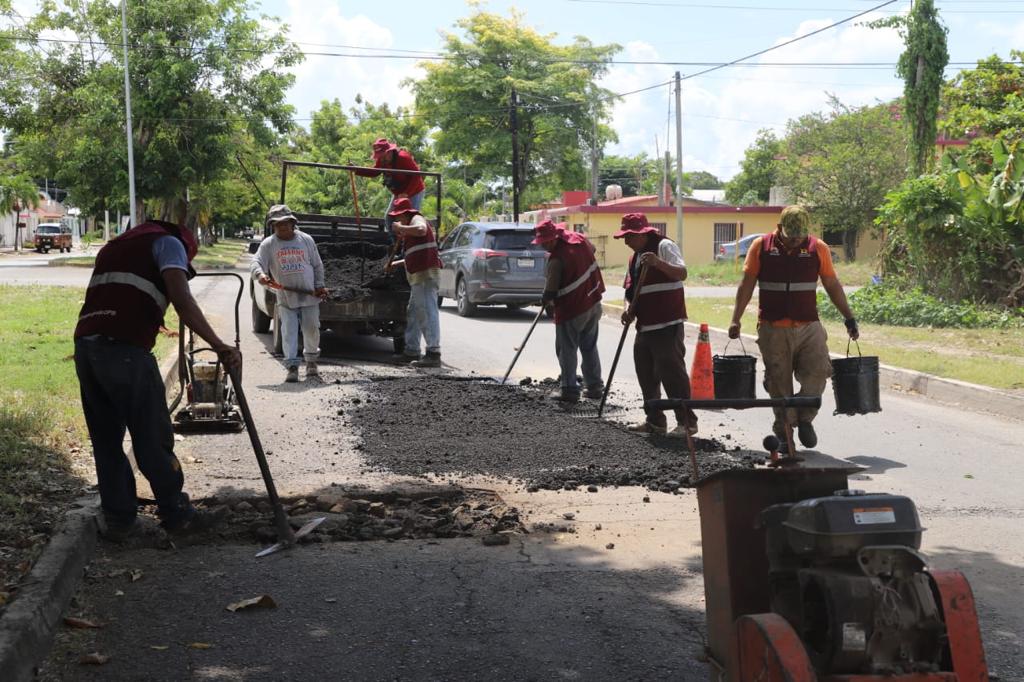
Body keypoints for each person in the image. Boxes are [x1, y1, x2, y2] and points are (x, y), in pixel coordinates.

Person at [74, 219, 242, 540]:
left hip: (87, 345)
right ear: (186, 244)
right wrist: (219, 345)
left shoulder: (116, 246)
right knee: (152, 435)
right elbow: (182, 299)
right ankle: (177, 515)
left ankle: (120, 520)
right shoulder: (169, 243)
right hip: (125, 348)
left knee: (106, 441)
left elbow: (120, 294)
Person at [727, 205, 859, 452]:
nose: (796, 239)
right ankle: (786, 435)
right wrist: (736, 318)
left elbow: (831, 283)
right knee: (780, 383)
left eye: (800, 234)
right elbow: (746, 284)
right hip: (773, 327)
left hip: (809, 326)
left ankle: (805, 418)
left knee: (819, 371)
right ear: (779, 228)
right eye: (791, 234)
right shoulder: (761, 247)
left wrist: (849, 317)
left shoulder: (817, 248)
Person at [616, 213, 697, 438]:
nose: (625, 241)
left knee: (672, 373)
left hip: (667, 323)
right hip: (645, 325)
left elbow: (682, 273)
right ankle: (655, 421)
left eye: (629, 236)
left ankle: (687, 423)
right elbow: (629, 291)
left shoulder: (665, 246)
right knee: (646, 374)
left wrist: (658, 263)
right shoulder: (635, 258)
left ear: (642, 233)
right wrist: (627, 308)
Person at [251, 205, 328, 383]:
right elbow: (256, 261)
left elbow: (317, 265)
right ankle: (292, 367)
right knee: (288, 332)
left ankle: (311, 363)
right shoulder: (269, 244)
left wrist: (319, 285)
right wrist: (260, 275)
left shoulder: (306, 240)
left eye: (285, 224)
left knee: (311, 329)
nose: (282, 228)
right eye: (277, 225)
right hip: (286, 298)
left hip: (309, 296)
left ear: (293, 223)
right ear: (273, 226)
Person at [533, 220, 605, 402]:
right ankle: (595, 386)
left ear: (554, 238)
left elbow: (550, 291)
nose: (543, 245)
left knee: (566, 349)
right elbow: (593, 250)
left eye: (545, 241)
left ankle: (569, 389)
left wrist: (544, 300)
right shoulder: (580, 239)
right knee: (589, 346)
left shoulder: (556, 259)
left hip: (573, 309)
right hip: (593, 302)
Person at [389, 197, 442, 368]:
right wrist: (393, 264)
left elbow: (420, 229)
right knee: (413, 312)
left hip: (425, 276)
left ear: (405, 214)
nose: (397, 221)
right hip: (418, 276)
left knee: (426, 310)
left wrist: (400, 228)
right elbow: (413, 255)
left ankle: (433, 352)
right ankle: (411, 350)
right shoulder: (409, 231)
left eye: (398, 218)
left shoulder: (416, 219)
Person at [354, 138, 426, 233]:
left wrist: (406, 193)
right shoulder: (382, 160)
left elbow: (416, 176)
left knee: (409, 218)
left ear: (389, 152)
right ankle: (393, 241)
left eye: (382, 156)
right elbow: (375, 172)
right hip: (399, 192)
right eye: (379, 156)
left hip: (414, 191)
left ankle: (408, 242)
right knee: (389, 218)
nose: (381, 159)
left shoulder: (403, 157)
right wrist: (356, 169)